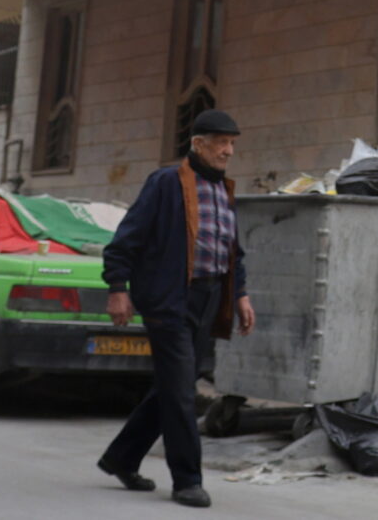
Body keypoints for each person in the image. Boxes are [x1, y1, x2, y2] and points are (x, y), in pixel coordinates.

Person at [99, 109, 254, 507]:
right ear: (198, 144)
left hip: (207, 301)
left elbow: (231, 251)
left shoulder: (223, 190)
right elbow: (125, 240)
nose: (229, 150)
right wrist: (118, 287)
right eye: (221, 142)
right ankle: (187, 479)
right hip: (168, 299)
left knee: (173, 384)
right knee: (183, 388)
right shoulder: (167, 183)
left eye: (232, 143)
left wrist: (239, 294)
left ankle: (121, 457)